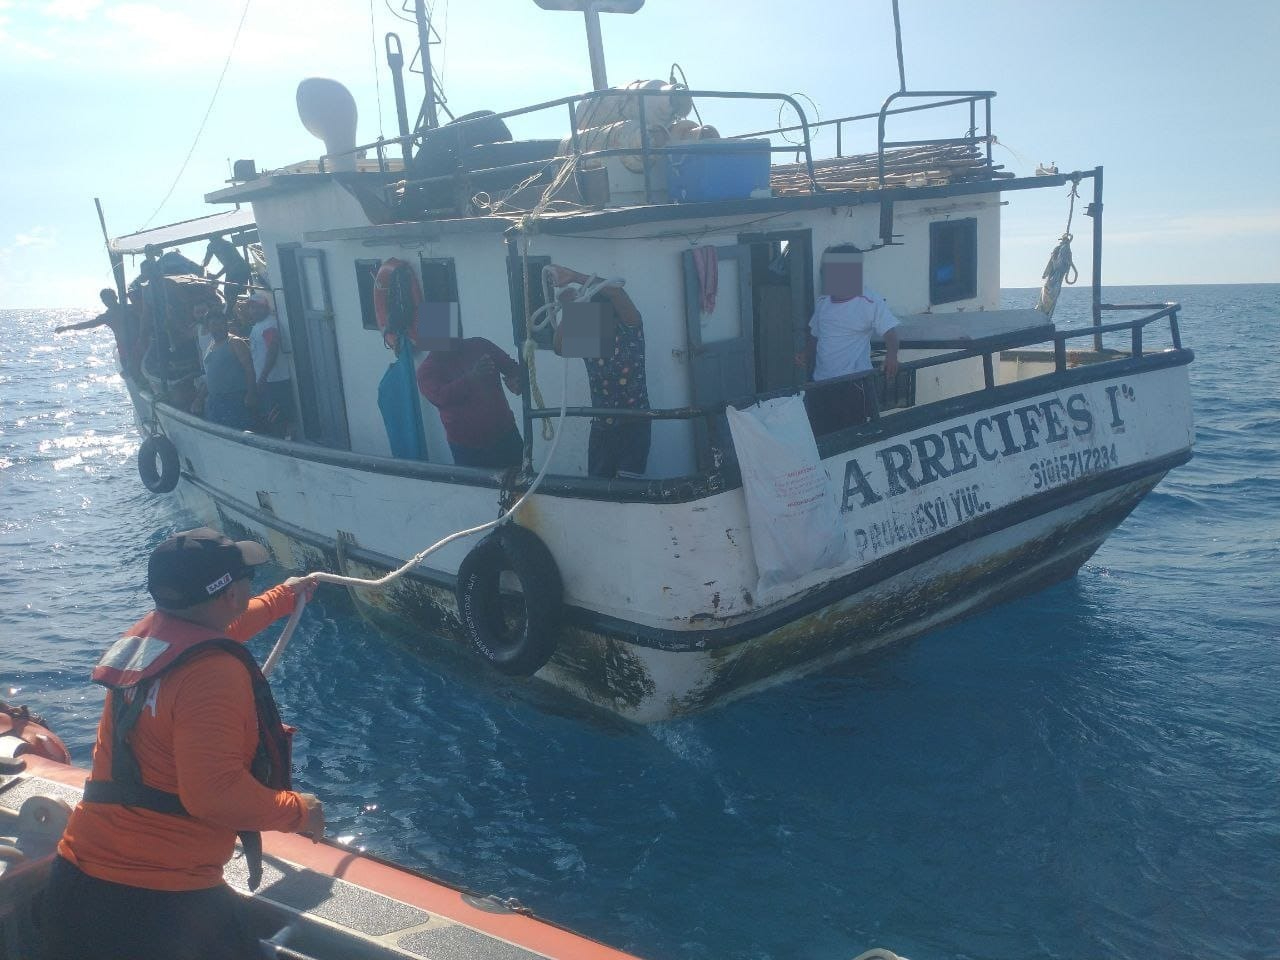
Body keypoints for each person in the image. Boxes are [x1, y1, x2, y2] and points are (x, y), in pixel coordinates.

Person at [43, 527, 324, 960]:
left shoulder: (148, 640)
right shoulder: (214, 674)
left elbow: (225, 622)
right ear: (229, 593)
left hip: (75, 882)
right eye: (244, 579)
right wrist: (299, 812)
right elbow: (214, 795)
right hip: (160, 908)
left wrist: (284, 596)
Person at [549, 264, 650, 479]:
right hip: (602, 428)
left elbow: (616, 291)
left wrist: (575, 276)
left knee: (627, 488)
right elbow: (558, 347)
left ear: (614, 315)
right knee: (598, 488)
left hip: (634, 425)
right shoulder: (592, 338)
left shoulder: (631, 330)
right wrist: (569, 310)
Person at [802, 248, 900, 434]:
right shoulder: (823, 301)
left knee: (855, 435)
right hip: (821, 383)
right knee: (820, 437)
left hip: (853, 385)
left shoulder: (870, 301)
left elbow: (890, 333)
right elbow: (815, 334)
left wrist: (892, 356)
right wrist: (805, 353)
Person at [416, 337, 523, 468]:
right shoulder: (426, 370)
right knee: (476, 489)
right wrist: (473, 377)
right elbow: (441, 397)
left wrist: (518, 380)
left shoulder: (480, 345)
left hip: (507, 438)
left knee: (524, 484)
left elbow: (512, 367)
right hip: (468, 451)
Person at [238, 293, 294, 438]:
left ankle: (284, 446)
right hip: (268, 380)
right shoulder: (259, 325)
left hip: (275, 381)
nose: (254, 310)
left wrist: (262, 378)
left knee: (277, 418)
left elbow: (272, 349)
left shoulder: (269, 324)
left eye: (258, 307)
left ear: (266, 308)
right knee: (272, 417)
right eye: (251, 307)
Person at [55, 288, 141, 378]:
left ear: (115, 297)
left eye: (110, 298)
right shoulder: (107, 316)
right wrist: (67, 327)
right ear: (103, 302)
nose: (108, 302)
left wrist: (131, 296)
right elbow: (88, 324)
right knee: (128, 373)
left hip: (140, 344)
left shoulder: (130, 308)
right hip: (125, 349)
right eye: (105, 300)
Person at [202, 312, 257, 429]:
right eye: (214, 324)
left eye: (222, 324)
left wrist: (251, 394)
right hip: (215, 401)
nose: (219, 327)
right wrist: (199, 398)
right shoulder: (211, 345)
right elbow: (210, 375)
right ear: (208, 327)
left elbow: (250, 369)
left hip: (234, 399)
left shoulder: (235, 342)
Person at [201, 235, 252, 303]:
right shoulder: (211, 246)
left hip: (241, 270)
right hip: (230, 271)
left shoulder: (227, 245)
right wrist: (203, 271)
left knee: (239, 294)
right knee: (228, 293)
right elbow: (206, 262)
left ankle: (241, 307)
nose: (211, 239)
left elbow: (230, 263)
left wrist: (216, 276)